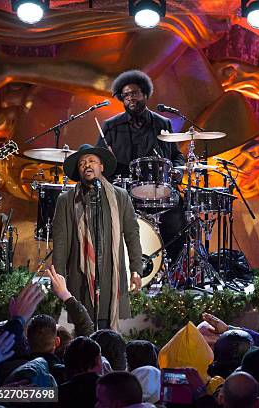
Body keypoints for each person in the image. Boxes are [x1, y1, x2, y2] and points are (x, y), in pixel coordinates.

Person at [96, 69, 186, 266]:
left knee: (178, 210)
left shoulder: (163, 123)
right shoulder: (111, 126)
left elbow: (176, 155)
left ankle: (174, 268)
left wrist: (178, 170)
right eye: (126, 95)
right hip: (123, 190)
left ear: (145, 94)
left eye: (134, 93)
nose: (130, 98)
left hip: (158, 189)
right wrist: (105, 164)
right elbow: (98, 159)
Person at [52, 144, 142, 330]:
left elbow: (132, 235)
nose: (87, 165)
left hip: (111, 275)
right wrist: (59, 279)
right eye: (82, 163)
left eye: (92, 161)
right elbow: (60, 242)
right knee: (84, 331)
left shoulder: (120, 196)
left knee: (108, 333)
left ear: (102, 167)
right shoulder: (66, 200)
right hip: (80, 277)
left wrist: (136, 269)